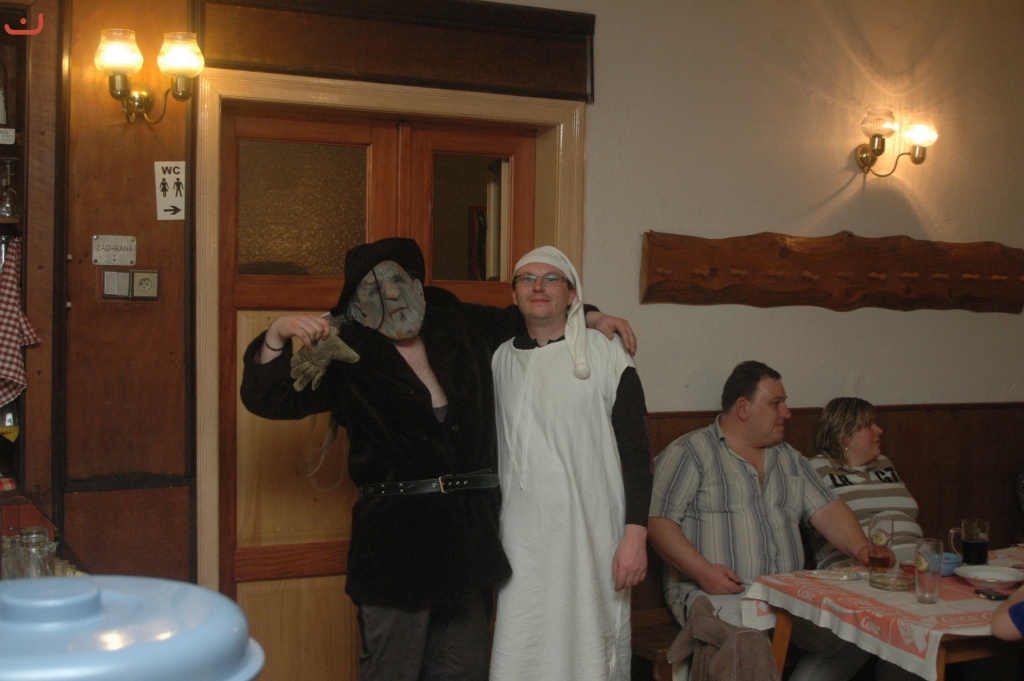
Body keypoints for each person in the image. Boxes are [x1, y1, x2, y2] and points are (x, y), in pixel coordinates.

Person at [239, 237, 635, 681]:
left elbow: (529, 313)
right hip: (395, 545)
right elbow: (268, 399)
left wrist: (591, 316)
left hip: (468, 539)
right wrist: (277, 333)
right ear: (356, 302)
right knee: (393, 670)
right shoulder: (343, 349)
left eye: (400, 282)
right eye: (375, 288)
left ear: (417, 286)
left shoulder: (454, 322)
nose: (391, 294)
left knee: (464, 668)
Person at [648, 360, 872, 681]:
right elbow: (658, 523)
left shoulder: (789, 458)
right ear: (743, 408)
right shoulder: (690, 452)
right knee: (744, 645)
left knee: (860, 635)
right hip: (716, 593)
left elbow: (827, 510)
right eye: (776, 403)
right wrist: (703, 571)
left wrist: (863, 550)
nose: (787, 412)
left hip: (787, 596)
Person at [488, 246, 652, 681]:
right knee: (525, 647)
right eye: (527, 279)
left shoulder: (606, 354)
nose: (538, 287)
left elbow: (637, 450)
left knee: (589, 647)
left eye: (551, 278)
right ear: (514, 294)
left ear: (572, 293)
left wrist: (635, 534)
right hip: (522, 542)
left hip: (593, 534)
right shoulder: (499, 359)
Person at [808, 397, 923, 569]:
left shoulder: (884, 463)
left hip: (916, 563)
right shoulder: (816, 467)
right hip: (857, 566)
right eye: (868, 425)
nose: (879, 430)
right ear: (844, 435)